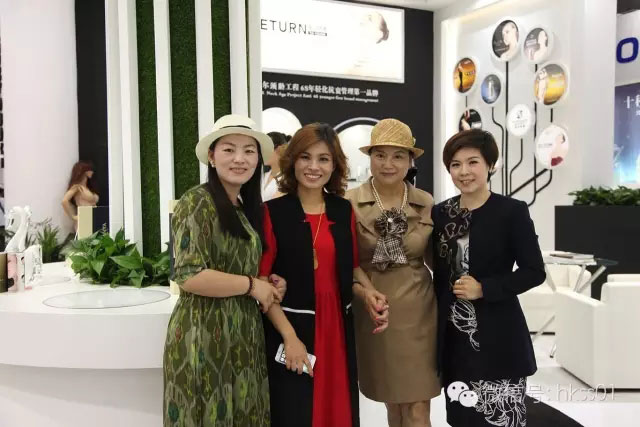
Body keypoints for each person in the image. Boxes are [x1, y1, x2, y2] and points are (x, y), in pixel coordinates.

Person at [163, 114, 286, 427]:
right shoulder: (197, 202)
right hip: (203, 334)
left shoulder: (243, 207)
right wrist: (251, 285)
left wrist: (267, 283)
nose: (239, 159)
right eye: (229, 149)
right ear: (211, 156)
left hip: (243, 333)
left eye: (249, 151)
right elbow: (189, 274)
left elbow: (241, 266)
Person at [431, 129, 546, 427]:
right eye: (455, 164)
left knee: (501, 418)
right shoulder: (441, 213)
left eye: (473, 162)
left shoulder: (511, 212)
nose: (464, 172)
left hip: (498, 334)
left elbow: (534, 271)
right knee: (461, 417)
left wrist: (485, 288)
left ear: (490, 165)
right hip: (455, 338)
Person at [260, 123, 367, 427]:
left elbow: (353, 268)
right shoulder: (273, 212)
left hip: (338, 325)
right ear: (292, 160)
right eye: (305, 157)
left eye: (324, 159)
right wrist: (290, 337)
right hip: (293, 324)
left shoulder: (343, 210)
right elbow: (263, 283)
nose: (314, 167)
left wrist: (370, 293)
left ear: (335, 165)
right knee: (297, 410)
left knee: (339, 409)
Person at [346, 119, 440, 427]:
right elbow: (346, 262)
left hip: (420, 311)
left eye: (398, 156)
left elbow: (437, 259)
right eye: (380, 155)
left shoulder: (425, 202)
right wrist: (365, 292)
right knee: (394, 402)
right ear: (369, 157)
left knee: (417, 405)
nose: (388, 164)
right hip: (374, 309)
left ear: (410, 161)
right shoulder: (348, 203)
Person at [61, 161, 99, 226]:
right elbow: (64, 201)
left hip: (93, 219)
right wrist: (73, 217)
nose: (92, 172)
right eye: (90, 170)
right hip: (84, 220)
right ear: (84, 171)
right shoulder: (77, 187)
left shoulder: (88, 188)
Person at [262, 131, 290, 201]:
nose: (262, 153)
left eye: (266, 149)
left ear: (279, 149)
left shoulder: (288, 179)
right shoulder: (263, 176)